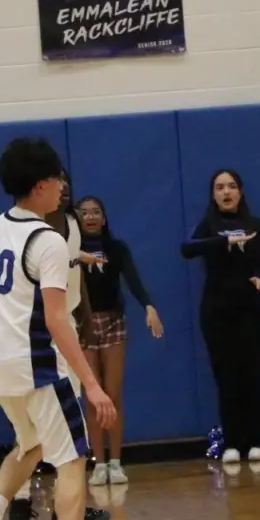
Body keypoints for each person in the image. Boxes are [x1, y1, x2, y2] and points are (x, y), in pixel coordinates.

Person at [0, 137, 117, 520]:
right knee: (72, 458)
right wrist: (92, 384)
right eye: (58, 180)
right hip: (38, 364)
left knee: (31, 444)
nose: (63, 187)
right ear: (42, 184)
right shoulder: (48, 240)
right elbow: (56, 319)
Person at [5, 169, 112, 520]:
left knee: (68, 429)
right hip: (34, 337)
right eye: (55, 181)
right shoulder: (28, 230)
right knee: (31, 431)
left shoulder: (71, 222)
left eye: (65, 181)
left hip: (66, 331)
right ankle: (18, 505)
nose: (63, 187)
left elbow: (74, 281)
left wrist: (85, 319)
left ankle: (66, 507)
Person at [180, 168, 260, 465]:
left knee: (252, 375)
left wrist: (258, 277)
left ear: (240, 192)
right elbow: (187, 249)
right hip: (217, 310)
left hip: (249, 308)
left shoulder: (255, 224)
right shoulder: (208, 225)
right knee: (226, 376)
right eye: (220, 187)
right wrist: (223, 242)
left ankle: (256, 440)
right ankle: (232, 441)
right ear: (213, 194)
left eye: (231, 186)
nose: (226, 192)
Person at [76, 195, 164, 485]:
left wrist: (148, 305)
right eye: (84, 212)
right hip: (83, 325)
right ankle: (98, 463)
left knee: (112, 395)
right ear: (76, 217)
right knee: (93, 396)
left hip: (113, 321)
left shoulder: (116, 248)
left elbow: (132, 278)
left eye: (96, 212)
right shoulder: (69, 249)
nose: (90, 217)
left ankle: (115, 462)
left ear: (104, 217)